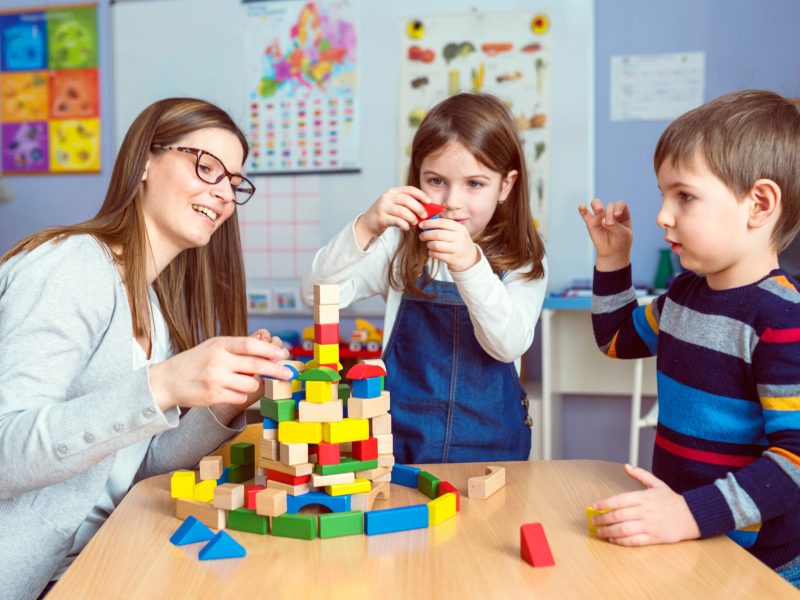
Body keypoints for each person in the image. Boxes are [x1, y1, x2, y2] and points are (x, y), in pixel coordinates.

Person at [0, 97, 293, 600]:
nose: (222, 193)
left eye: (233, 182)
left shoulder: (153, 306)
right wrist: (164, 384)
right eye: (206, 166)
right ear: (144, 165)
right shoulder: (68, 266)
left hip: (101, 554)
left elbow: (134, 473)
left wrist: (223, 405)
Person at [579, 89, 800, 587]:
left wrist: (690, 514)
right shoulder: (683, 295)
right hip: (688, 539)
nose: (662, 215)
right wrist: (613, 261)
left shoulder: (781, 318)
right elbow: (616, 339)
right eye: (663, 195)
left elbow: (795, 461)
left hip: (760, 563)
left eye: (685, 196)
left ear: (759, 204)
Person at [301, 92, 547, 463]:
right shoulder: (399, 244)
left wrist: (469, 265)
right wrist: (366, 227)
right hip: (398, 448)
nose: (452, 201)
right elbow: (316, 294)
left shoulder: (524, 256)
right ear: (417, 176)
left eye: (475, 184)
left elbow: (508, 344)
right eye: (436, 180)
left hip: (494, 453)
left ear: (506, 186)